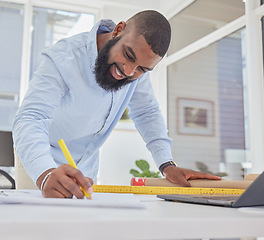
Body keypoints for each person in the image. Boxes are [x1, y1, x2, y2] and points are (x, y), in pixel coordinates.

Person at [12, 10, 221, 199]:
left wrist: (166, 164)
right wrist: (45, 173)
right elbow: (31, 118)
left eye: (141, 69)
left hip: (86, 168)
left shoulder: (138, 69)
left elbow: (147, 112)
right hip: (41, 162)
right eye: (128, 55)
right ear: (118, 30)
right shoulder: (64, 58)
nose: (129, 72)